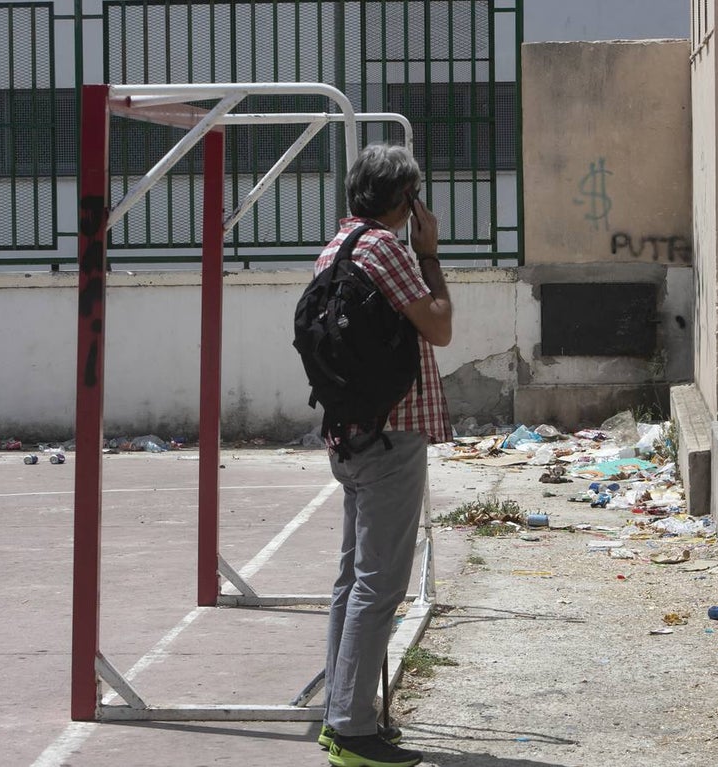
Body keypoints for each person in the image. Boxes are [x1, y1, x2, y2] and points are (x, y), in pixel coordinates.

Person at [315, 143, 453, 767]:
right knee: (380, 584)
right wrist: (429, 251)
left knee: (352, 579)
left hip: (349, 434)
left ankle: (342, 711)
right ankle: (350, 728)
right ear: (406, 200)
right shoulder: (389, 250)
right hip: (391, 437)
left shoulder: (337, 247)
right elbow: (440, 325)